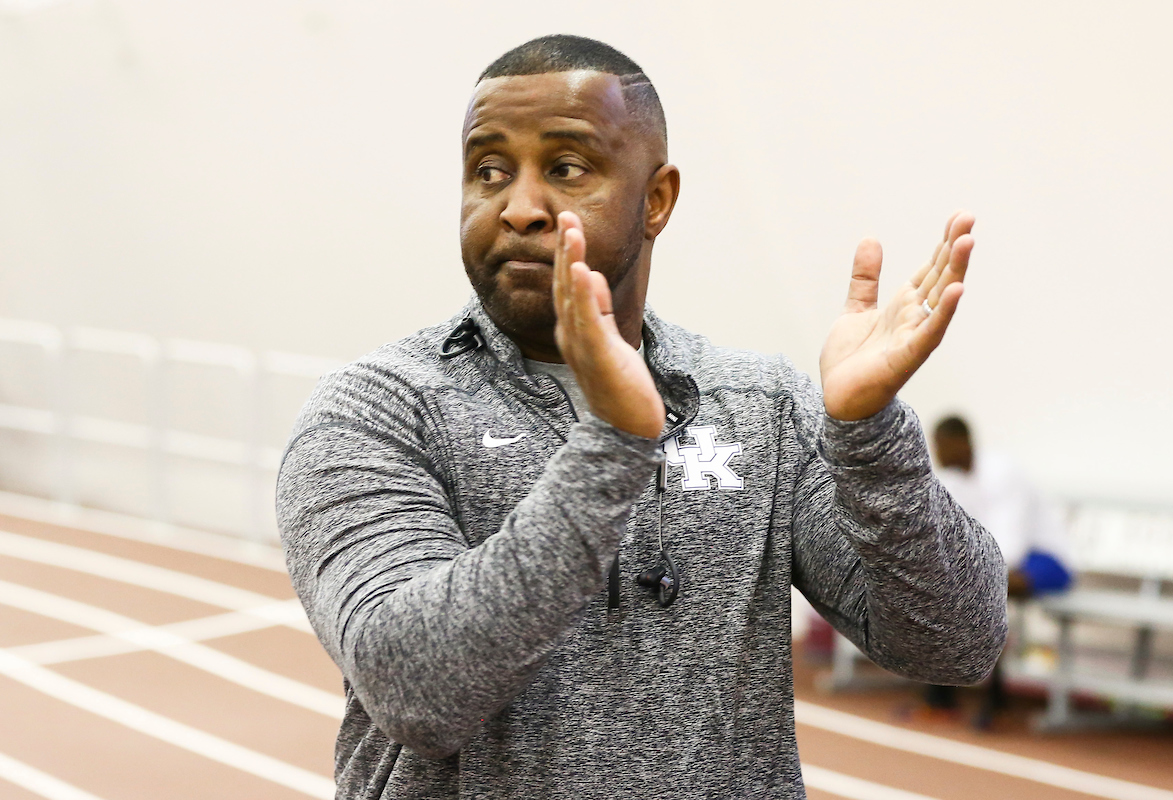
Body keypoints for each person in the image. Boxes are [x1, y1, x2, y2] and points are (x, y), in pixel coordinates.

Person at [276, 35, 1007, 800]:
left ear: (656, 199)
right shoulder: (376, 412)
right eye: (488, 171)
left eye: (565, 168)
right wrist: (614, 447)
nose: (519, 207)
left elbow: (959, 643)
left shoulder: (759, 407)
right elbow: (414, 688)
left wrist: (869, 437)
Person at [924, 415, 1071, 727]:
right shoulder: (952, 479)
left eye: (941, 445)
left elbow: (1011, 549)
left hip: (1046, 559)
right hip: (998, 561)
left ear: (962, 442)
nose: (936, 452)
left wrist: (966, 575)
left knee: (986, 587)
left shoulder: (1001, 473)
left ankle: (995, 698)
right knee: (946, 586)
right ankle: (947, 697)